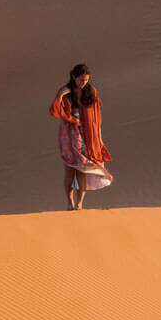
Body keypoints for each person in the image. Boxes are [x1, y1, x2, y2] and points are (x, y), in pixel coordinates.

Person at [49, 63, 113, 210]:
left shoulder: (91, 92)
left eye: (86, 80)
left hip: (87, 135)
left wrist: (99, 137)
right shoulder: (65, 91)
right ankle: (69, 200)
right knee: (70, 171)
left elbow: (97, 116)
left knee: (83, 170)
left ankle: (80, 203)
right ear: (73, 77)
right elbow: (55, 110)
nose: (84, 83)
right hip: (69, 136)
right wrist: (61, 94)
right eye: (81, 80)